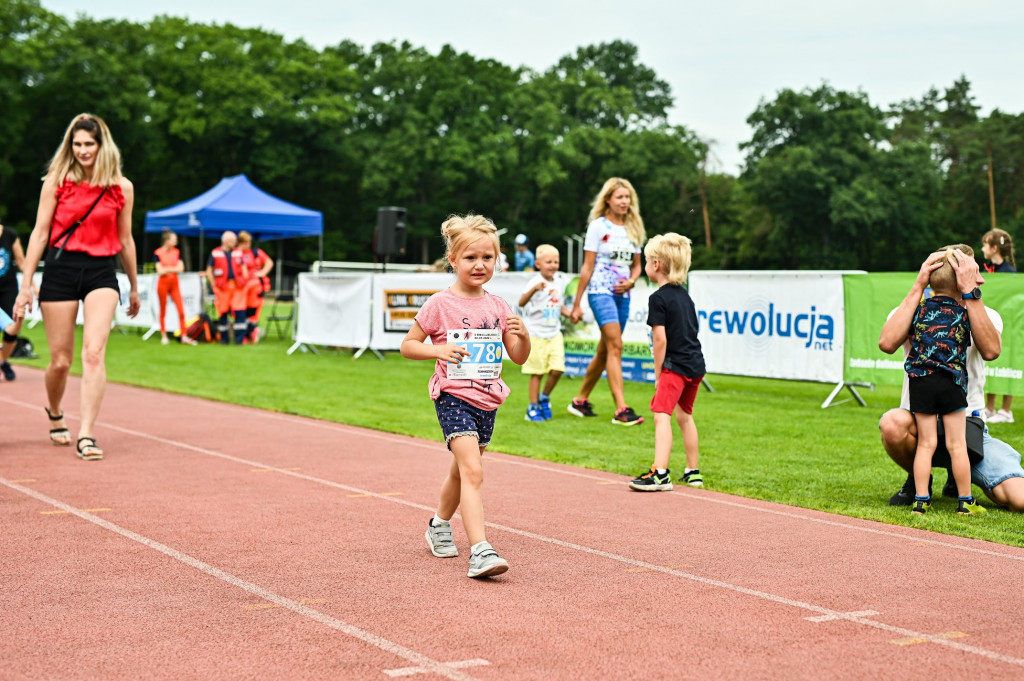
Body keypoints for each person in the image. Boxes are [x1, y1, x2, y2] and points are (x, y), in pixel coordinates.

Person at [400, 214, 531, 579]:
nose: (480, 265)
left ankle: (439, 524)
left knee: (461, 472)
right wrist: (437, 352)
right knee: (474, 470)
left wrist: (524, 335)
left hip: (487, 400)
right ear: (453, 260)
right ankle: (481, 551)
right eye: (471, 258)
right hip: (453, 397)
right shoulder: (440, 304)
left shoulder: (499, 306)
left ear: (498, 261)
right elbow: (408, 345)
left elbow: (519, 358)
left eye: (487, 258)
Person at [13, 113, 141, 461]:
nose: (83, 150)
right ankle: (55, 412)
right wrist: (26, 286)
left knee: (94, 353)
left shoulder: (121, 187)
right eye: (77, 144)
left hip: (101, 270)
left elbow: (126, 240)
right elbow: (39, 233)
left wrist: (133, 286)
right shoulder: (57, 181)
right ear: (70, 146)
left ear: (102, 146)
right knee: (60, 361)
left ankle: (86, 433)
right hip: (60, 269)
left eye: (89, 144)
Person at [879, 246, 1024, 513]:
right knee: (891, 424)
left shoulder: (986, 314)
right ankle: (919, 481)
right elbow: (886, 343)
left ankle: (954, 484)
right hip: (920, 420)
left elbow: (991, 350)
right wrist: (918, 285)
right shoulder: (911, 308)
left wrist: (970, 293)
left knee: (1019, 498)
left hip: (967, 425)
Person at [901, 250, 982, 514]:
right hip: (952, 381)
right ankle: (965, 501)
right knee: (956, 444)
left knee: (925, 444)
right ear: (960, 283)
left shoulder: (918, 310)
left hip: (921, 382)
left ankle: (921, 501)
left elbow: (909, 334)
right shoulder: (965, 311)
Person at [629, 233, 706, 492]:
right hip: (695, 365)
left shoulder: (658, 298)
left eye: (648, 259)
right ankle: (693, 471)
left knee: (661, 415)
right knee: (685, 416)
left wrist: (659, 372)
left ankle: (660, 473)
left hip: (675, 366)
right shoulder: (685, 296)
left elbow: (659, 340)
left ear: (656, 265)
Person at [567, 177, 646, 425]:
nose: (625, 202)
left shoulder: (634, 228)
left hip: (624, 295)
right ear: (608, 200)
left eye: (627, 197)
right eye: (620, 197)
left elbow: (637, 267)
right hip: (600, 292)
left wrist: (632, 281)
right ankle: (621, 409)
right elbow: (588, 267)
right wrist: (577, 303)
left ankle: (579, 401)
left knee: (605, 349)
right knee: (616, 346)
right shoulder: (598, 227)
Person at [518, 244, 571, 422]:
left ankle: (544, 397)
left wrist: (569, 314)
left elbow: (557, 304)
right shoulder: (534, 281)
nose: (553, 265)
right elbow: (522, 302)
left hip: (554, 332)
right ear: (538, 264)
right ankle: (532, 407)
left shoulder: (559, 281)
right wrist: (534, 289)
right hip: (536, 334)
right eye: (549, 262)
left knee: (557, 369)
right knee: (537, 372)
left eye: (556, 261)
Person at [981, 228, 1017, 423]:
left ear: (994, 248)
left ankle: (1006, 410)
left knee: (1008, 363)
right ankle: (990, 407)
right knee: (990, 365)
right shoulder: (985, 270)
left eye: (985, 244)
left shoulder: (1010, 273)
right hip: (989, 323)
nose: (982, 248)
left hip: (1008, 326)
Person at [204, 231, 250, 344]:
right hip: (222, 288)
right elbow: (209, 271)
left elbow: (244, 267)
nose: (235, 243)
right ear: (226, 241)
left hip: (237, 286)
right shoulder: (215, 253)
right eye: (233, 241)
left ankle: (239, 339)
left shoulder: (238, 252)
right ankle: (224, 339)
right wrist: (213, 285)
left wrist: (245, 279)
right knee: (222, 312)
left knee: (240, 312)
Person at [154, 230, 195, 345]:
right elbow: (160, 271)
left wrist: (167, 269)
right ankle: (164, 335)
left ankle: (184, 335)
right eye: (174, 239)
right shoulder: (158, 253)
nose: (176, 241)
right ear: (167, 241)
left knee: (181, 310)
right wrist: (172, 269)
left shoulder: (177, 252)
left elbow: (181, 269)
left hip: (174, 284)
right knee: (163, 310)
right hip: (162, 284)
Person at [0, 222, 30, 380]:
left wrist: (18, 322)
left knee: (9, 330)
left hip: (8, 288)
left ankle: (3, 360)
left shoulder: (9, 235)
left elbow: (22, 262)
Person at [237, 230, 274, 343]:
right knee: (241, 311)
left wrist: (262, 272)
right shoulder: (236, 253)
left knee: (253, 311)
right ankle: (243, 333)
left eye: (249, 242)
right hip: (241, 287)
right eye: (245, 243)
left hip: (255, 287)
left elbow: (269, 262)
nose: (247, 245)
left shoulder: (255, 252)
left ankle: (252, 332)